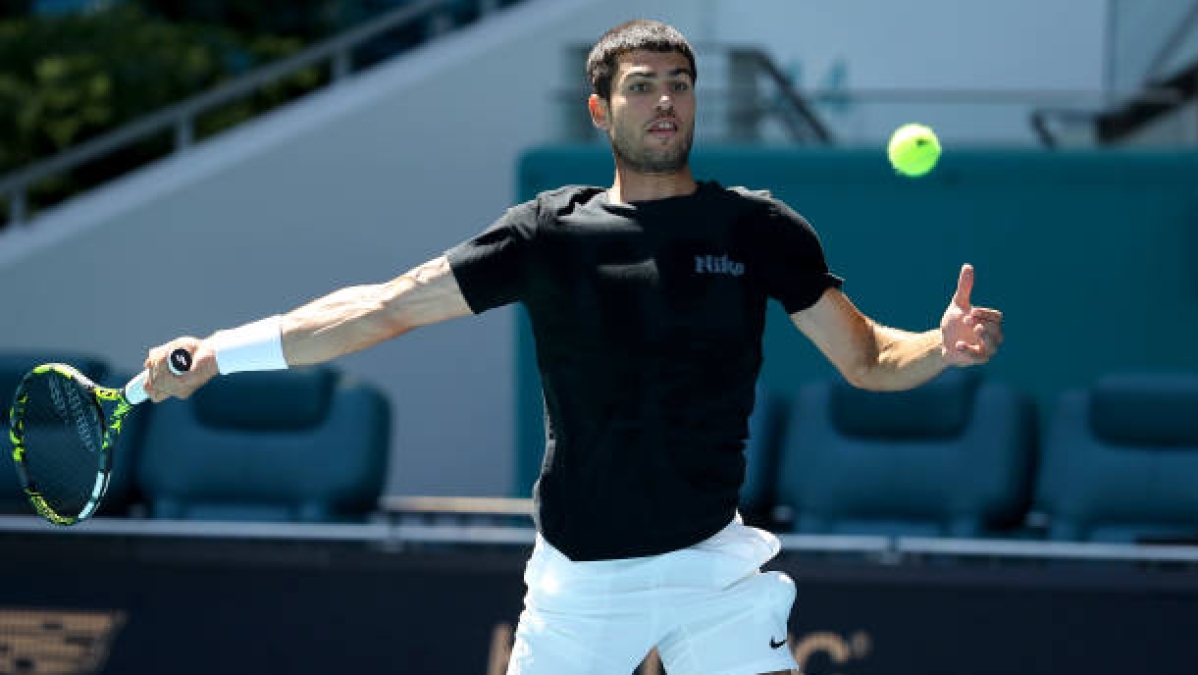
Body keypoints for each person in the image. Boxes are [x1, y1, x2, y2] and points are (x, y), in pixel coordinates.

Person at [142, 18, 1003, 675]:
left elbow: (865, 357)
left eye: (678, 83)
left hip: (715, 566)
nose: (664, 99)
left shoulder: (759, 229)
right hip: (581, 579)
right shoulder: (548, 234)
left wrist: (940, 344)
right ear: (601, 109)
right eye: (641, 86)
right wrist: (220, 350)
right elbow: (381, 307)